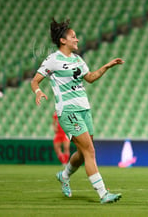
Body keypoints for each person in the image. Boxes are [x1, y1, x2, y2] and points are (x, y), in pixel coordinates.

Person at [30, 18, 123, 204]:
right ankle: (103, 194)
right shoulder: (53, 60)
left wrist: (107, 66)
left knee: (82, 153)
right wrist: (38, 92)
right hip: (68, 111)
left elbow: (90, 78)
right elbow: (35, 81)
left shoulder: (78, 59)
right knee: (90, 151)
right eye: (73, 37)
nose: (77, 39)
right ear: (63, 41)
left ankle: (64, 176)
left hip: (84, 109)